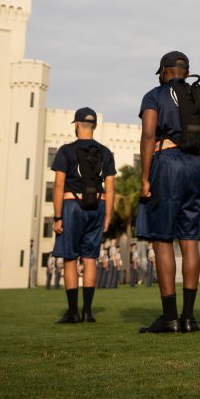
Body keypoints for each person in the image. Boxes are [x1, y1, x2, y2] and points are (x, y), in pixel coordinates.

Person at [136, 51, 200, 334]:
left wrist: (146, 178)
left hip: (168, 165)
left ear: (164, 71)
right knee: (189, 240)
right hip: (195, 166)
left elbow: (149, 135)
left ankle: (170, 317)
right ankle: (189, 317)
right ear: (186, 72)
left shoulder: (154, 95)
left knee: (162, 240)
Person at [51, 107, 116, 324]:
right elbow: (111, 187)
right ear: (95, 126)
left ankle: (73, 312)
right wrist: (108, 216)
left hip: (72, 206)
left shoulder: (65, 151)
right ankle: (88, 312)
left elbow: (59, 184)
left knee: (70, 259)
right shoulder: (105, 153)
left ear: (77, 125)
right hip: (98, 206)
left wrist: (57, 217)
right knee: (90, 259)